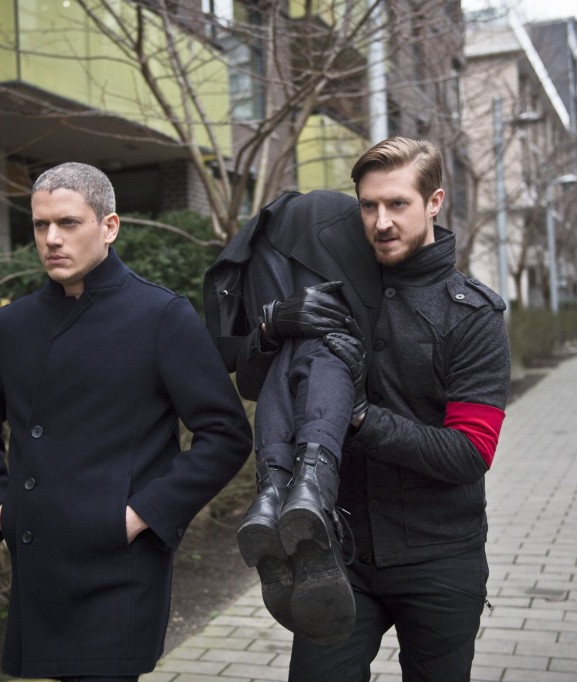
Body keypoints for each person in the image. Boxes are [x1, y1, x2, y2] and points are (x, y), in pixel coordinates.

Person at [0, 162, 253, 681]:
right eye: (40, 225)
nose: (51, 239)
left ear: (109, 227)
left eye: (68, 223)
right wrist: (0, 508)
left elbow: (226, 434)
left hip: (120, 566)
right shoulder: (12, 325)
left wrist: (140, 515)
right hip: (41, 561)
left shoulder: (161, 315)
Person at [232, 137, 512, 680]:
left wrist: (362, 417)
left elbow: (469, 453)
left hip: (438, 557)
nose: (381, 222)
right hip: (337, 554)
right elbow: (255, 384)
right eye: (369, 206)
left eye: (397, 204)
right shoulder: (333, 288)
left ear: (434, 202)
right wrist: (271, 327)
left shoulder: (472, 315)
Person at [203, 189, 382, 644]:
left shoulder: (274, 250)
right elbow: (247, 375)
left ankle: (274, 492)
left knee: (313, 346)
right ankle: (310, 488)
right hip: (352, 516)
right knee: (322, 344)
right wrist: (271, 327)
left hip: (385, 523)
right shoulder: (352, 265)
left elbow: (249, 382)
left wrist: (271, 329)